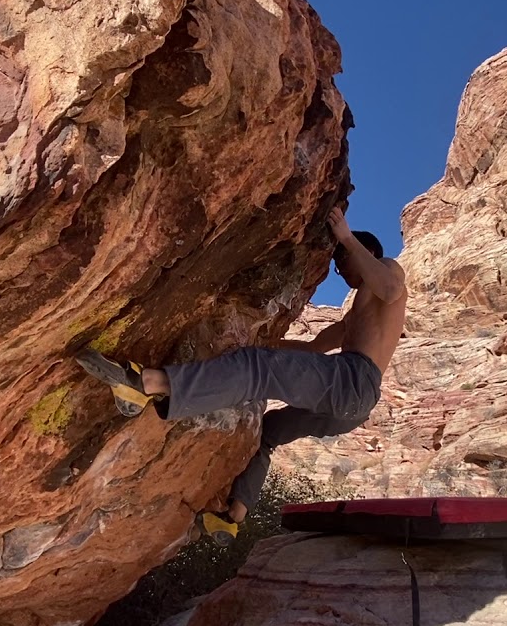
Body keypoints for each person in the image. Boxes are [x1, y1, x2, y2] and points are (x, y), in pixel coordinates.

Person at [76, 207, 407, 544]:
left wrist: (347, 239)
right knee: (268, 430)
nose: (340, 272)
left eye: (342, 264)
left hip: (355, 378)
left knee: (256, 370)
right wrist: (263, 340)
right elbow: (314, 349)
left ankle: (147, 385)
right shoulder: (359, 315)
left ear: (368, 253)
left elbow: (392, 289)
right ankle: (232, 517)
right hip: (354, 402)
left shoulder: (387, 270)